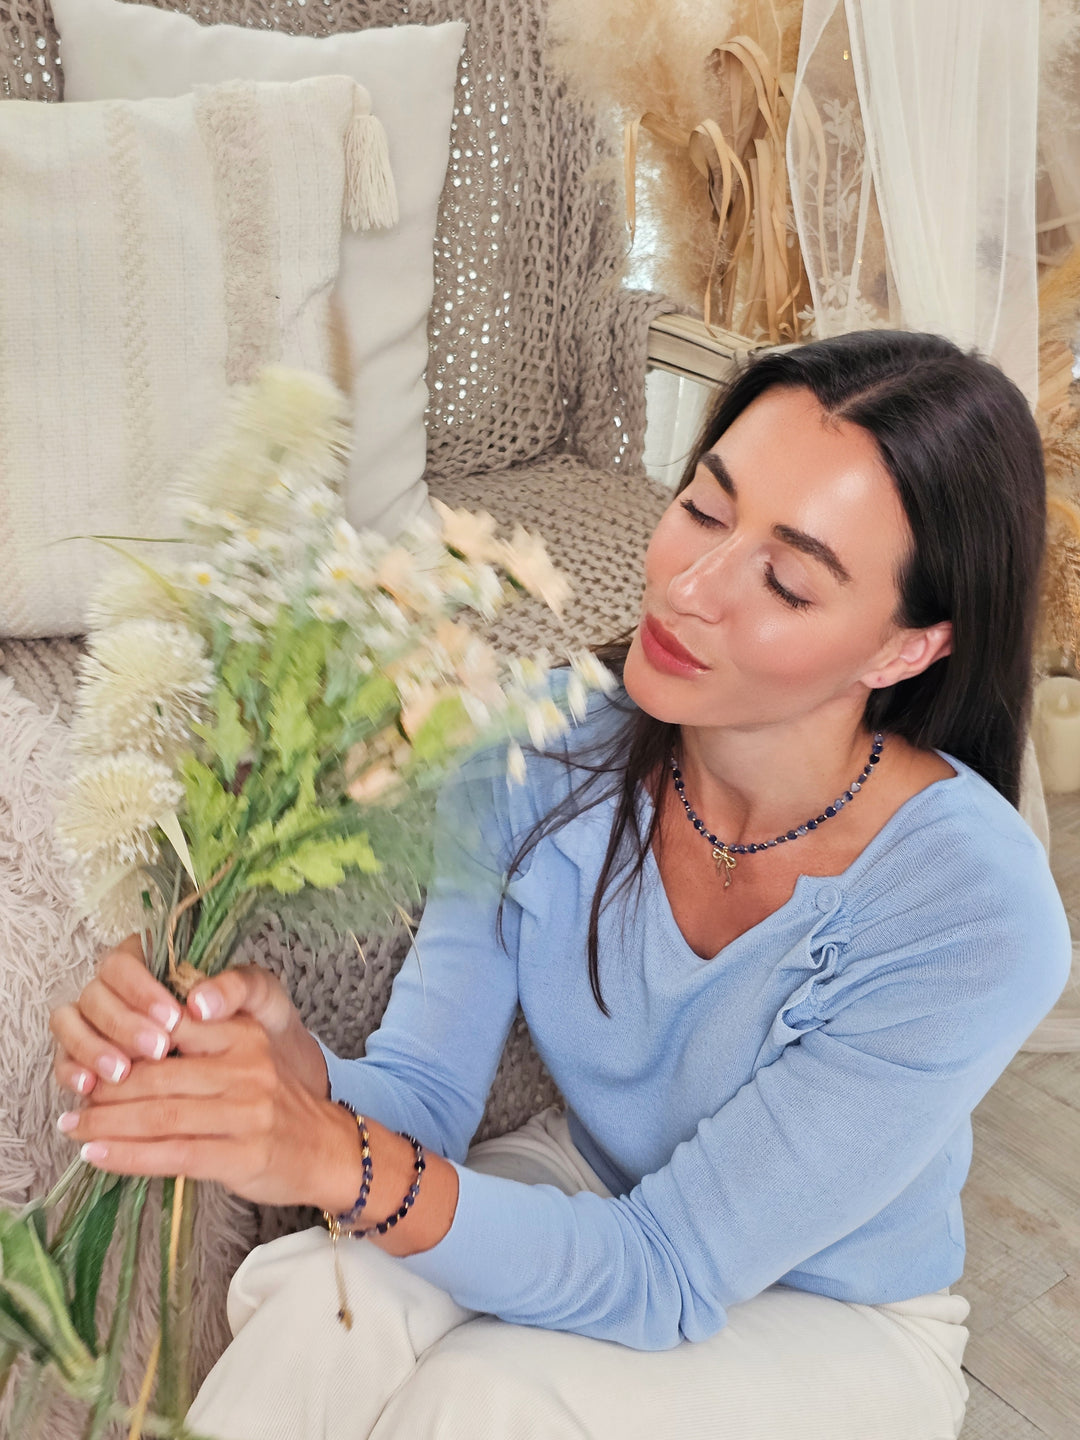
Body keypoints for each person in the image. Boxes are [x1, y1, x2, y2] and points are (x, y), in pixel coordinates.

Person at [50, 330, 1072, 1440]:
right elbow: (425, 1105)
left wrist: (332, 1156)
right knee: (327, 1306)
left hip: (835, 1315)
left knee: (487, 1400)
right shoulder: (538, 744)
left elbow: (666, 1269)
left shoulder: (972, 907)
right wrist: (282, 1063)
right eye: (701, 506)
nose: (689, 586)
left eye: (783, 578)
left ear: (903, 652)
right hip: (597, 1189)